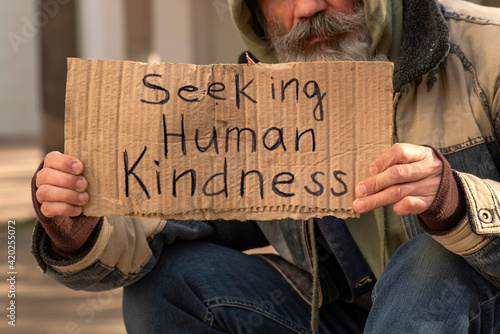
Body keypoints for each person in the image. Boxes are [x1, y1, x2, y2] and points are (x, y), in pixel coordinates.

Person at [31, 0, 500, 332]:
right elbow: (158, 222)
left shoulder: (487, 48)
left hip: (482, 311)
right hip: (353, 314)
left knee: (430, 258)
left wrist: (456, 203)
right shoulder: (256, 103)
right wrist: (80, 228)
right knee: (172, 286)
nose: (307, 8)